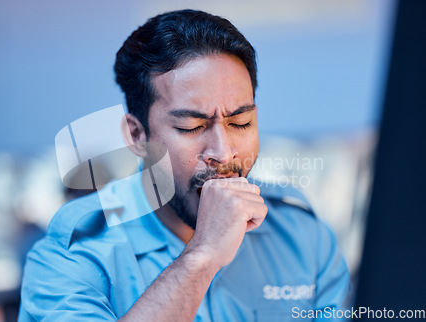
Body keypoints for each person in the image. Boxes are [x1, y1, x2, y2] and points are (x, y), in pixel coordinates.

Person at [19, 9, 350, 321]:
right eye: (191, 128)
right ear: (137, 135)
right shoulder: (73, 255)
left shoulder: (302, 236)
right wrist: (202, 255)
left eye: (241, 122)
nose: (223, 153)